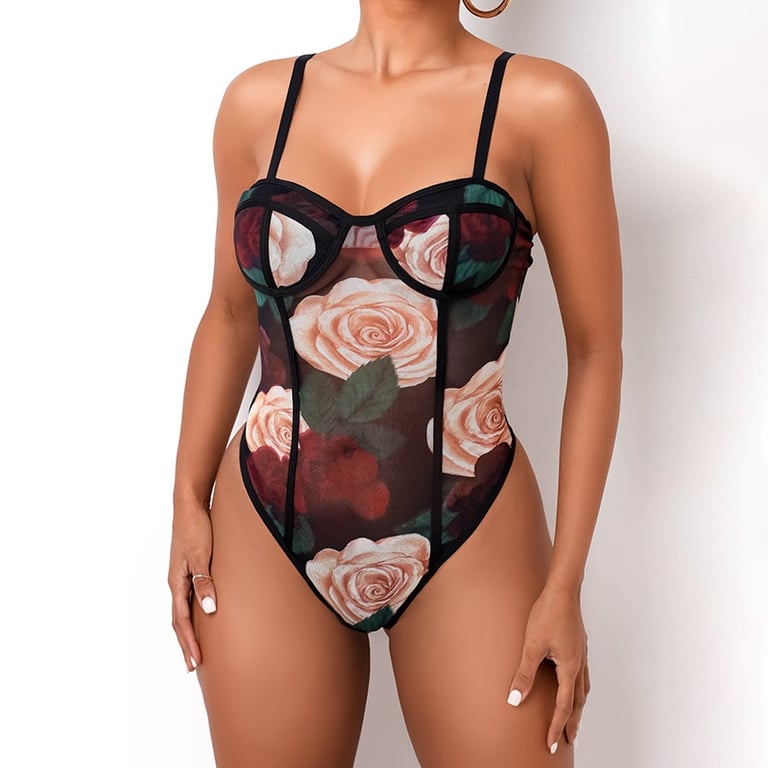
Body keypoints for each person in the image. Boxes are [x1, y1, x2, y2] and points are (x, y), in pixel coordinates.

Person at [168, 0, 622, 765]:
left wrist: (566, 582)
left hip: (471, 525)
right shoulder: (258, 104)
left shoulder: (543, 105)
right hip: (263, 525)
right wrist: (185, 495)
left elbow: (596, 349)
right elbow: (227, 313)